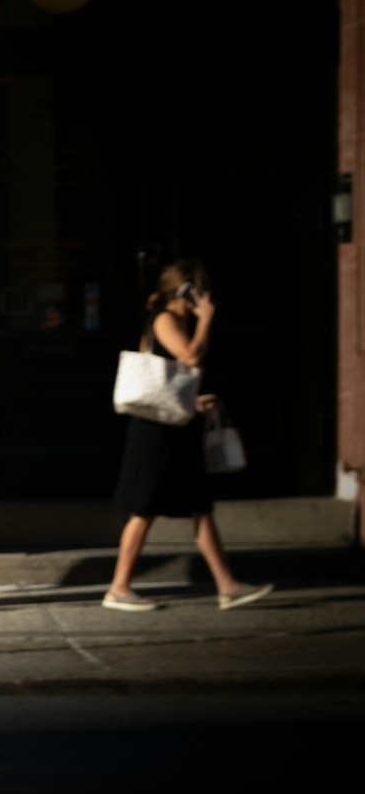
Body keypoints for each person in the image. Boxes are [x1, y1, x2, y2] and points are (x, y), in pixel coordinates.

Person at [104, 259, 272, 613]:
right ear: (184, 290)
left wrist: (192, 401)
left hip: (176, 425)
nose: (204, 298)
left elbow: (171, 378)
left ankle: (228, 585)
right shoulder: (164, 319)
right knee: (144, 508)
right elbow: (191, 357)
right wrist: (207, 319)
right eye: (199, 290)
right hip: (155, 431)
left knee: (200, 505)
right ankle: (118, 588)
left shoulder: (174, 320)